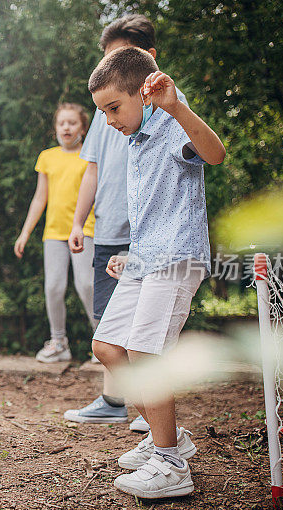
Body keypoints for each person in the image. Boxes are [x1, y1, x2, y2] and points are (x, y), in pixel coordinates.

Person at [87, 46, 225, 499]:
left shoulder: (169, 123)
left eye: (113, 108)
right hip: (146, 258)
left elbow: (215, 153)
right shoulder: (136, 139)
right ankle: (171, 439)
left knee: (146, 355)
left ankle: (170, 464)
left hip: (177, 258)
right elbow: (155, 210)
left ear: (142, 96)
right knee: (108, 347)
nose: (109, 119)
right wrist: (132, 253)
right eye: (103, 111)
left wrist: (176, 106)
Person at [64, 14, 184, 432]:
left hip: (155, 241)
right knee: (110, 329)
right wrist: (80, 222)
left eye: (118, 60)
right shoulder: (106, 115)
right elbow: (92, 168)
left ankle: (157, 425)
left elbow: (199, 159)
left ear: (146, 62)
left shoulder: (165, 113)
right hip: (113, 231)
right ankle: (123, 403)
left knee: (147, 337)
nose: (107, 69)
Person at [13, 103, 96, 363]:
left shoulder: (90, 155)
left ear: (82, 127)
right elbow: (40, 199)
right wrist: (25, 232)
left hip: (85, 231)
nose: (66, 127)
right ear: (56, 128)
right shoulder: (47, 157)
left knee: (87, 285)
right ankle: (59, 343)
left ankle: (103, 342)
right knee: (53, 288)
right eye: (62, 123)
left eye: (72, 123)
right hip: (53, 234)